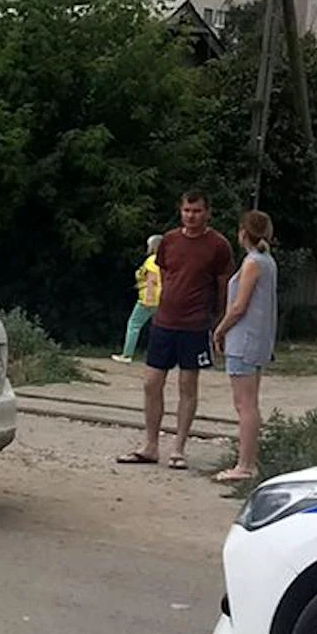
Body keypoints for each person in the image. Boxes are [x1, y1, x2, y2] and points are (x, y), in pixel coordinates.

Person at [116, 192, 235, 471]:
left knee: (187, 385)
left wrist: (219, 320)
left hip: (195, 324)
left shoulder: (218, 245)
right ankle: (150, 445)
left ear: (207, 212)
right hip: (164, 321)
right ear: (180, 212)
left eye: (196, 211)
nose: (191, 216)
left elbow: (223, 283)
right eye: (186, 210)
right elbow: (163, 274)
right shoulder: (169, 240)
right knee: (151, 382)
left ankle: (179, 449)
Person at [212, 210, 278, 483]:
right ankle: (248, 461)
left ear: (242, 232)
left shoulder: (252, 263)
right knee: (249, 402)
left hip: (244, 340)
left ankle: (245, 465)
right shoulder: (267, 261)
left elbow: (239, 305)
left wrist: (220, 329)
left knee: (244, 404)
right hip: (259, 339)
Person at [111, 234, 164, 364]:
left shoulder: (152, 260)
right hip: (163, 298)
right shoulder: (166, 260)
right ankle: (159, 356)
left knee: (134, 324)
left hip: (148, 297)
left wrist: (149, 297)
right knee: (159, 328)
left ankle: (127, 354)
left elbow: (151, 280)